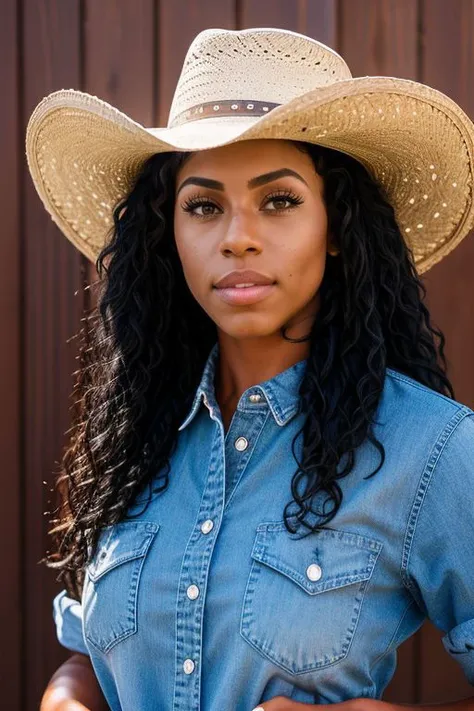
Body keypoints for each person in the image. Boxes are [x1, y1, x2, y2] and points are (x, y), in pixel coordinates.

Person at [26, 26, 474, 711]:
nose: (237, 236)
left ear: (338, 231)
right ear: (167, 237)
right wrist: (65, 702)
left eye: (280, 200)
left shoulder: (432, 448)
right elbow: (86, 653)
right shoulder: (132, 438)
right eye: (203, 205)